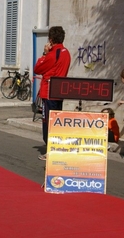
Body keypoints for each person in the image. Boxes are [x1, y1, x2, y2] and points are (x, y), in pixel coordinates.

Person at [34, 26, 71, 160]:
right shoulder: (66, 53)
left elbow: (38, 68)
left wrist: (44, 53)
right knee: (57, 122)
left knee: (47, 122)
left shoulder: (53, 53)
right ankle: (57, 148)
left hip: (48, 92)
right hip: (60, 91)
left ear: (51, 39)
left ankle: (50, 150)